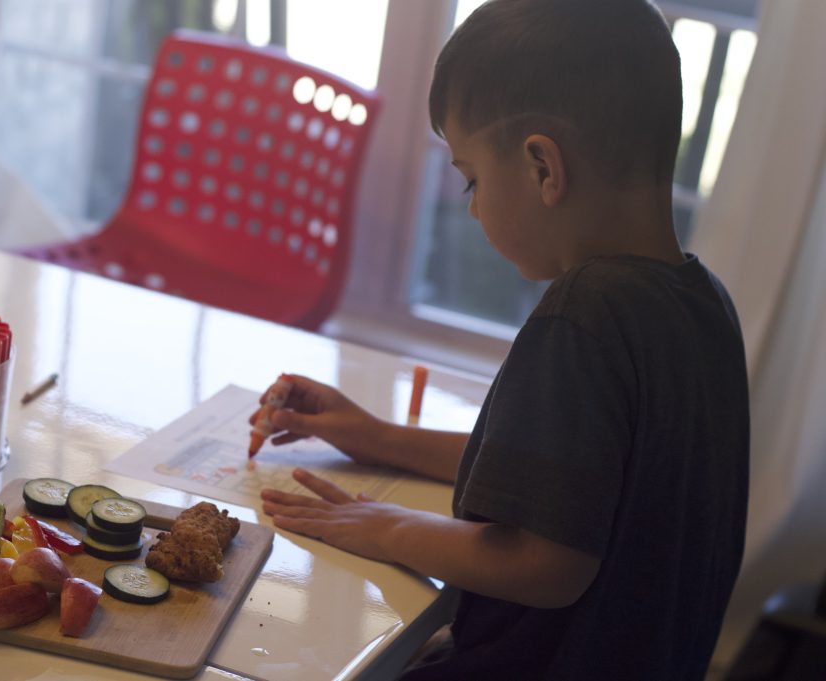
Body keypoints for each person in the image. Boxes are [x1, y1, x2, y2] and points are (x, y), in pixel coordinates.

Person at [253, 0, 750, 679]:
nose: (474, 204)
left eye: (472, 178)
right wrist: (374, 435)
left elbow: (550, 561)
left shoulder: (586, 311)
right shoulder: (701, 304)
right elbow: (570, 482)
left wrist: (388, 527)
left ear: (544, 168)